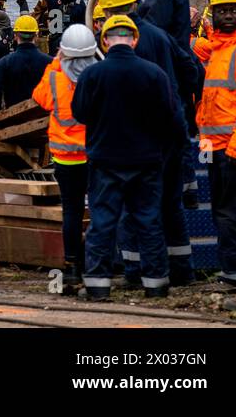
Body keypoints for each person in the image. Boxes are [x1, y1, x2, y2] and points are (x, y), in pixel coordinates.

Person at [94, 0, 195, 285]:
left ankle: (135, 272)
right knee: (170, 206)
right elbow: (192, 69)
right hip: (171, 131)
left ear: (108, 13)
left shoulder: (119, 48)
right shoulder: (160, 35)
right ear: (134, 4)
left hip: (139, 140)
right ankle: (181, 271)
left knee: (134, 208)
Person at [73, 16, 178, 300]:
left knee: (103, 222)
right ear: (134, 39)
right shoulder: (155, 74)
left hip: (106, 160)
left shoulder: (92, 75)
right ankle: (155, 285)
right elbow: (169, 117)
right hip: (146, 161)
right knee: (149, 221)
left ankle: (97, 285)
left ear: (104, 41)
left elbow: (80, 113)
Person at [192, 0, 236, 290]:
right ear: (213, 14)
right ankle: (232, 269)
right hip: (212, 144)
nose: (228, 15)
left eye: (234, 10)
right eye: (222, 11)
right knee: (221, 209)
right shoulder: (220, 46)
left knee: (234, 212)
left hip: (234, 146)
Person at [33, 24, 100, 290]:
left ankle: (72, 269)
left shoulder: (54, 78)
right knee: (98, 210)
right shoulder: (97, 75)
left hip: (65, 159)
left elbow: (39, 98)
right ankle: (97, 265)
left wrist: (54, 64)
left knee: (71, 213)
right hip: (95, 155)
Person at [0, 15, 50, 112]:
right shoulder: (49, 62)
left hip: (13, 118)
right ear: (36, 36)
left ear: (15, 36)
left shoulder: (4, 63)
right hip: (42, 116)